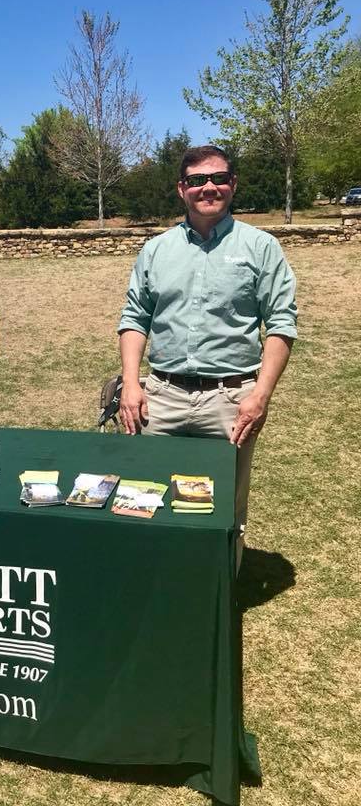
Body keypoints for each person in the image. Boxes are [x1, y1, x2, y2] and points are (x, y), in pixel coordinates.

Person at [117, 145, 297, 564]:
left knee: (224, 508)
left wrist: (260, 395)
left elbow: (281, 324)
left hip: (230, 401)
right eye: (197, 180)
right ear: (182, 189)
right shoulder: (156, 249)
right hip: (161, 397)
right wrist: (130, 383)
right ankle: (154, 580)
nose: (208, 187)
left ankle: (217, 589)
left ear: (233, 184)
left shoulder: (261, 247)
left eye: (218, 178)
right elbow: (135, 317)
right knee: (145, 496)